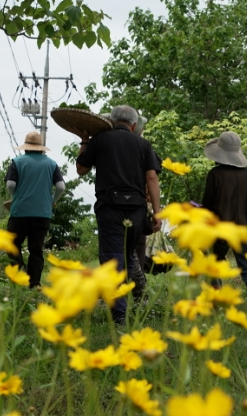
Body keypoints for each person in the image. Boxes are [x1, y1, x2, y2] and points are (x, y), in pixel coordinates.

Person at [73, 105, 162, 324]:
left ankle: (120, 315)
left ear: (112, 121)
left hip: (109, 207)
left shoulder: (100, 140)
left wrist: (85, 141)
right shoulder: (143, 144)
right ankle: (138, 304)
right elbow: (152, 178)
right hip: (136, 209)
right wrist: (157, 213)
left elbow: (81, 169)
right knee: (128, 255)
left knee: (113, 260)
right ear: (133, 125)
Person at [201, 131, 247, 308]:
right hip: (245, 229)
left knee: (213, 264)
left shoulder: (215, 174)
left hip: (221, 229)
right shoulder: (246, 174)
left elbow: (207, 205)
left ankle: (216, 305)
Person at [4, 131, 66, 289]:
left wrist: (15, 196)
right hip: (42, 213)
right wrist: (52, 201)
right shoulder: (51, 164)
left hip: (20, 211)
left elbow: (10, 184)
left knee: (12, 244)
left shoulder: (17, 162)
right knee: (36, 249)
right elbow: (61, 187)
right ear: (41, 149)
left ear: (25, 148)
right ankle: (35, 283)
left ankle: (20, 272)